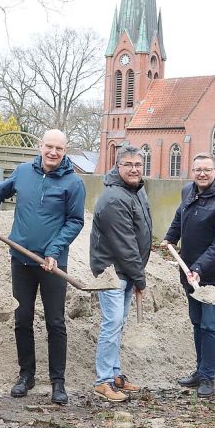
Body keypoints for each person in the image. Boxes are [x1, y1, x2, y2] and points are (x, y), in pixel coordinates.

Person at [0, 129, 85, 405]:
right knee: (22, 318)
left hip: (52, 264)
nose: (53, 152)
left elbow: (75, 221)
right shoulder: (22, 172)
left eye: (59, 149)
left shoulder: (73, 183)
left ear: (66, 151)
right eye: (49, 146)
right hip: (21, 259)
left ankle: (58, 381)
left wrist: (54, 251)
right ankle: (26, 375)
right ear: (40, 146)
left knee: (55, 321)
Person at [164, 153, 215, 398]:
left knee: (210, 324)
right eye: (198, 169)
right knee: (197, 322)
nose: (202, 174)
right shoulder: (189, 190)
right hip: (190, 272)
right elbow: (180, 216)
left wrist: (198, 267)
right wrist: (170, 237)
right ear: (192, 171)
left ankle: (208, 377)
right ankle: (200, 370)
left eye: (207, 169)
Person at [89, 145, 152, 402]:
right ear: (118, 167)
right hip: (112, 272)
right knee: (112, 325)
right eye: (129, 164)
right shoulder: (115, 198)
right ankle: (103, 381)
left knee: (118, 324)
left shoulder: (136, 191)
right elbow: (125, 245)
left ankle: (115, 375)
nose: (134, 169)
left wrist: (136, 275)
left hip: (125, 272)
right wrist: (140, 279)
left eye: (138, 164)